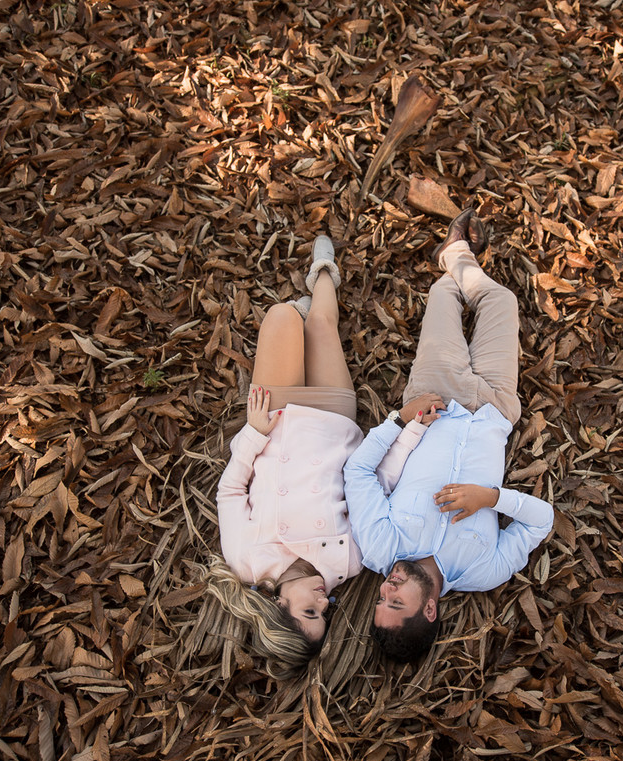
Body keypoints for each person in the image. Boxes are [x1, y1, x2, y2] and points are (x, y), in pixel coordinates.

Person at [342, 208, 555, 663]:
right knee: (502, 303)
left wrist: (399, 419)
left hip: (435, 396)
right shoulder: (485, 570)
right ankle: (460, 256)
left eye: (381, 599)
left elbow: (357, 471)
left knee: (443, 299)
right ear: (432, 608)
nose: (386, 588)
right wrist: (490, 498)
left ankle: (455, 258)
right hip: (496, 409)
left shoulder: (382, 548)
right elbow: (542, 521)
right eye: (396, 601)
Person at [208, 235, 362, 676]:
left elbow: (230, 490)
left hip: (273, 419)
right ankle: (325, 272)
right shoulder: (347, 561)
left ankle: (293, 319)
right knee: (320, 326)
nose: (322, 602)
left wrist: (254, 435)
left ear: (279, 605)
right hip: (333, 421)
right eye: (325, 613)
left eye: (309, 612)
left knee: (279, 316)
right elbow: (370, 487)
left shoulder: (246, 559)